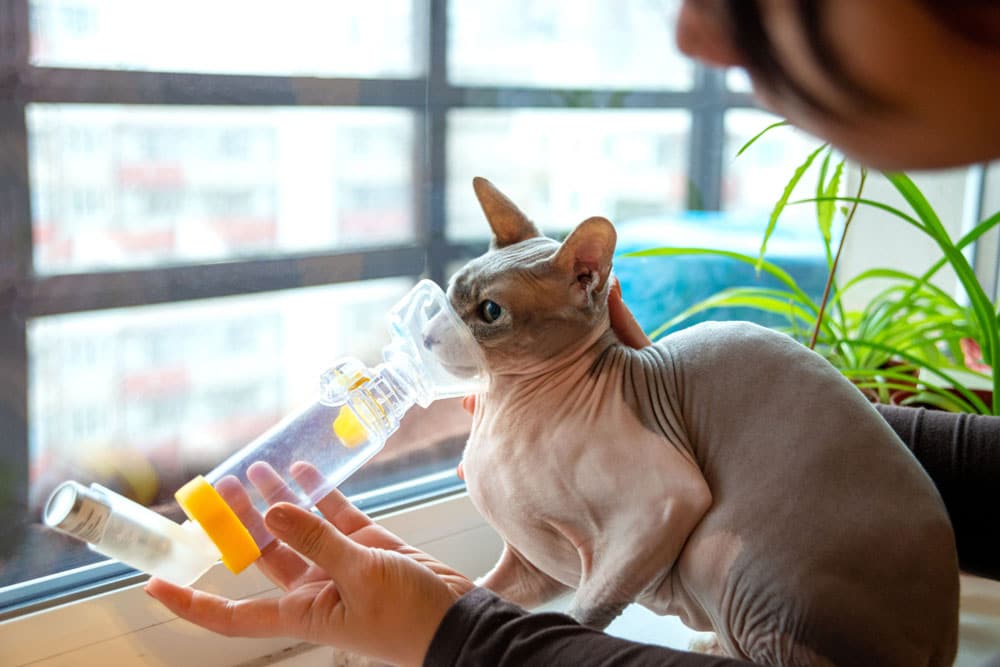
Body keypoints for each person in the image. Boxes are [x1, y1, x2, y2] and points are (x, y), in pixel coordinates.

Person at [146, 1, 1000, 665]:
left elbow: (670, 500)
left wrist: (479, 639)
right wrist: (472, 609)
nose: (695, 34)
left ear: (591, 280)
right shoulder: (609, 377)